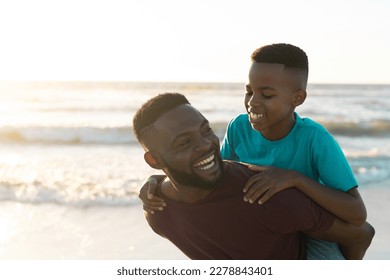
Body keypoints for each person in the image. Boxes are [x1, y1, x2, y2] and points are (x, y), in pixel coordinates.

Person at [139, 43, 369, 259]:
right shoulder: (239, 126)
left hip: (315, 230)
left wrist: (294, 179)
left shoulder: (314, 138)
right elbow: (216, 174)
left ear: (297, 98)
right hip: (266, 224)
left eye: (266, 95)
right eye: (249, 92)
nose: (253, 102)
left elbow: (357, 215)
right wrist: (159, 178)